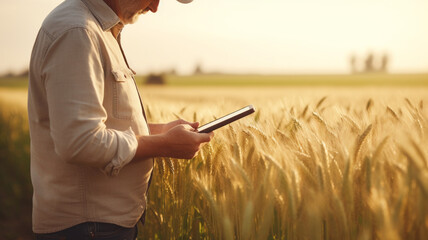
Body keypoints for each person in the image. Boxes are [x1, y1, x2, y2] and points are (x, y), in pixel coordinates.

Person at [28, 0, 213, 239]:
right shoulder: (77, 31)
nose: (155, 7)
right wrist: (165, 144)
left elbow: (105, 124)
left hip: (99, 226)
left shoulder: (96, 29)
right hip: (87, 229)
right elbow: (80, 142)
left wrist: (159, 131)